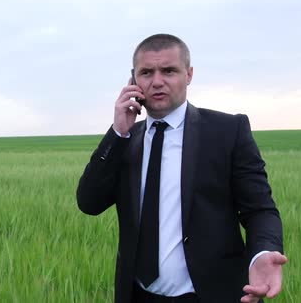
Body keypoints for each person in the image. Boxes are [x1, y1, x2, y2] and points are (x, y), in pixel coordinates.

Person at [76, 34, 286, 303]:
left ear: (188, 74)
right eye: (146, 72)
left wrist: (263, 253)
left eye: (169, 71)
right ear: (133, 80)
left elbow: (259, 209)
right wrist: (117, 133)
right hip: (138, 295)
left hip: (209, 295)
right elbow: (88, 202)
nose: (157, 81)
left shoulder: (227, 131)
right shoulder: (126, 140)